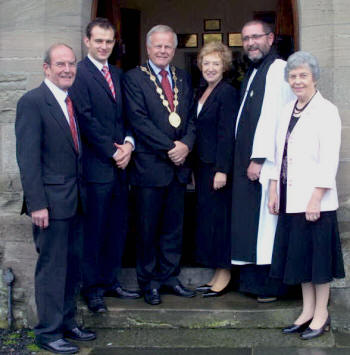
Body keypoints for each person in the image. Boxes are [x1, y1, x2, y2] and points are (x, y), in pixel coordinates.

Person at [15, 44, 95, 354]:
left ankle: (67, 322)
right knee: (52, 269)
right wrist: (37, 204)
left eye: (71, 64)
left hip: (75, 201)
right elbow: (28, 158)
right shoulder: (33, 102)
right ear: (46, 68)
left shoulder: (69, 100)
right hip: (49, 204)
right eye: (60, 64)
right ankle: (48, 333)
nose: (67, 69)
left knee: (73, 266)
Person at [268, 51, 345, 340]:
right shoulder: (288, 109)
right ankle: (307, 310)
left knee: (318, 261)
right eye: (293, 75)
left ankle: (321, 313)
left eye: (303, 75)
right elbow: (279, 154)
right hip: (290, 197)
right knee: (300, 258)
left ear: (314, 77)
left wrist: (316, 198)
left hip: (316, 202)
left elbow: (329, 160)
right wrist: (274, 189)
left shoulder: (326, 111)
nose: (297, 80)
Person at [69, 17, 140, 314]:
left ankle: (111, 281)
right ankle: (93, 289)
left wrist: (128, 144)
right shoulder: (79, 74)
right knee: (94, 231)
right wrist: (112, 152)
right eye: (98, 40)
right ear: (87, 41)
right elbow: (85, 119)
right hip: (96, 168)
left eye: (109, 41)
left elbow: (123, 118)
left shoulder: (117, 73)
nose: (103, 46)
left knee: (117, 228)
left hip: (120, 168)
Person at [123, 24, 196, 305]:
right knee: (147, 229)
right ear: (148, 48)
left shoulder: (183, 77)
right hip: (149, 169)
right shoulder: (133, 79)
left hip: (178, 169)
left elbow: (191, 118)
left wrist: (186, 145)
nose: (163, 50)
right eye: (158, 46)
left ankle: (169, 277)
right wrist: (170, 148)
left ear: (174, 49)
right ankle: (149, 282)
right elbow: (138, 121)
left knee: (173, 228)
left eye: (168, 46)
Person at [230, 20, 295, 302]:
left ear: (270, 38)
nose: (251, 43)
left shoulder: (278, 69)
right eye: (245, 39)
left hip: (264, 164)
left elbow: (273, 118)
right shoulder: (254, 72)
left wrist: (258, 158)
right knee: (251, 226)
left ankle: (269, 287)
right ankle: (252, 284)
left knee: (264, 227)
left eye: (256, 37)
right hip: (248, 162)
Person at [193, 41, 239, 297]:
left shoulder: (227, 92)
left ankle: (225, 274)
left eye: (216, 63)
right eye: (206, 63)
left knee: (220, 222)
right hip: (202, 166)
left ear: (224, 66)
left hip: (217, 170)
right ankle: (215, 274)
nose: (210, 68)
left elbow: (226, 134)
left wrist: (223, 170)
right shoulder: (203, 91)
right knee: (208, 221)